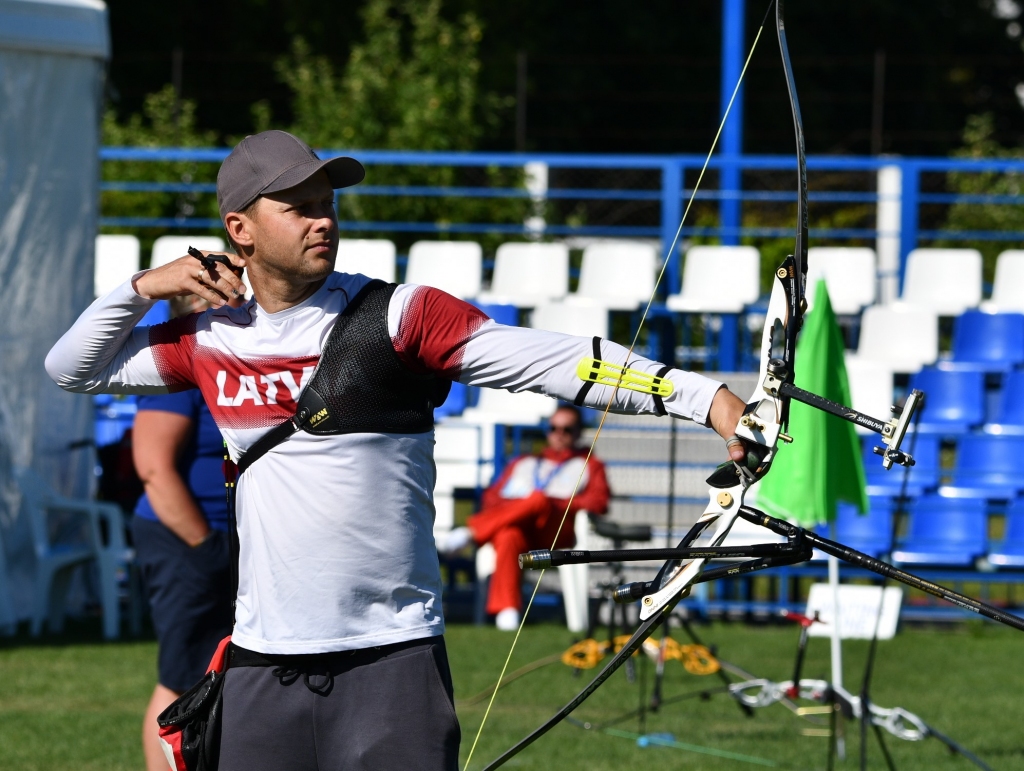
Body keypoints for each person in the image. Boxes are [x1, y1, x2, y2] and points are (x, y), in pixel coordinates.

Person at [45, 130, 750, 771]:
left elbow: (553, 362)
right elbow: (71, 368)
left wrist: (704, 398)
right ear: (240, 230)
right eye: (297, 207)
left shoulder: (402, 315)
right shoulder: (210, 338)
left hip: (391, 661)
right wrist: (143, 287)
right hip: (262, 664)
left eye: (327, 203)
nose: (324, 219)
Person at [131, 294, 234, 771]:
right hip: (184, 539)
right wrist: (204, 545)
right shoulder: (180, 369)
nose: (235, 299)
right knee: (180, 676)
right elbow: (153, 469)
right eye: (219, 293)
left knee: (215, 671)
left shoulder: (229, 359)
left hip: (222, 538)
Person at [443, 405, 609, 631]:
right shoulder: (524, 462)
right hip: (520, 529)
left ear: (579, 432)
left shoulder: (590, 465)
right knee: (508, 534)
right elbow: (492, 498)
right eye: (553, 428)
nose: (558, 434)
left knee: (538, 499)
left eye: (567, 429)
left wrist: (555, 503)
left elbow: (598, 503)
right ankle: (508, 612)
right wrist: (519, 506)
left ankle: (471, 533)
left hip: (555, 530)